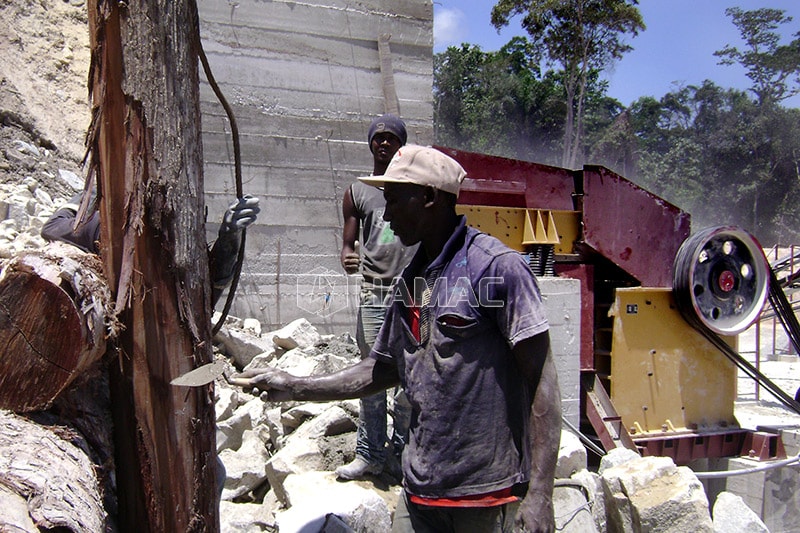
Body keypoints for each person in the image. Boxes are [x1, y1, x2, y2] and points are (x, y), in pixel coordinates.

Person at [233, 145, 562, 533]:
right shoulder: (416, 280)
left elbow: (542, 379)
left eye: (392, 200)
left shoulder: (495, 270)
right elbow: (384, 368)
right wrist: (295, 386)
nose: (386, 214)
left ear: (428, 197)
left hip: (485, 496)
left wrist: (540, 493)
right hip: (420, 490)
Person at [337, 113, 418, 480]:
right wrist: (348, 255)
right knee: (371, 376)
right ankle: (369, 455)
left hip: (417, 294)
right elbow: (348, 242)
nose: (384, 143)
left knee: (411, 380)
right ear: (370, 143)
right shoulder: (357, 192)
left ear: (402, 144)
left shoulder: (417, 188)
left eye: (392, 138)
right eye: (379, 137)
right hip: (376, 294)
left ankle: (403, 456)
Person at [41, 190, 260, 307]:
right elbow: (53, 228)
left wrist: (230, 238)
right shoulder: (102, 228)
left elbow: (205, 297)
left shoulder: (179, 241)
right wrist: (83, 200)